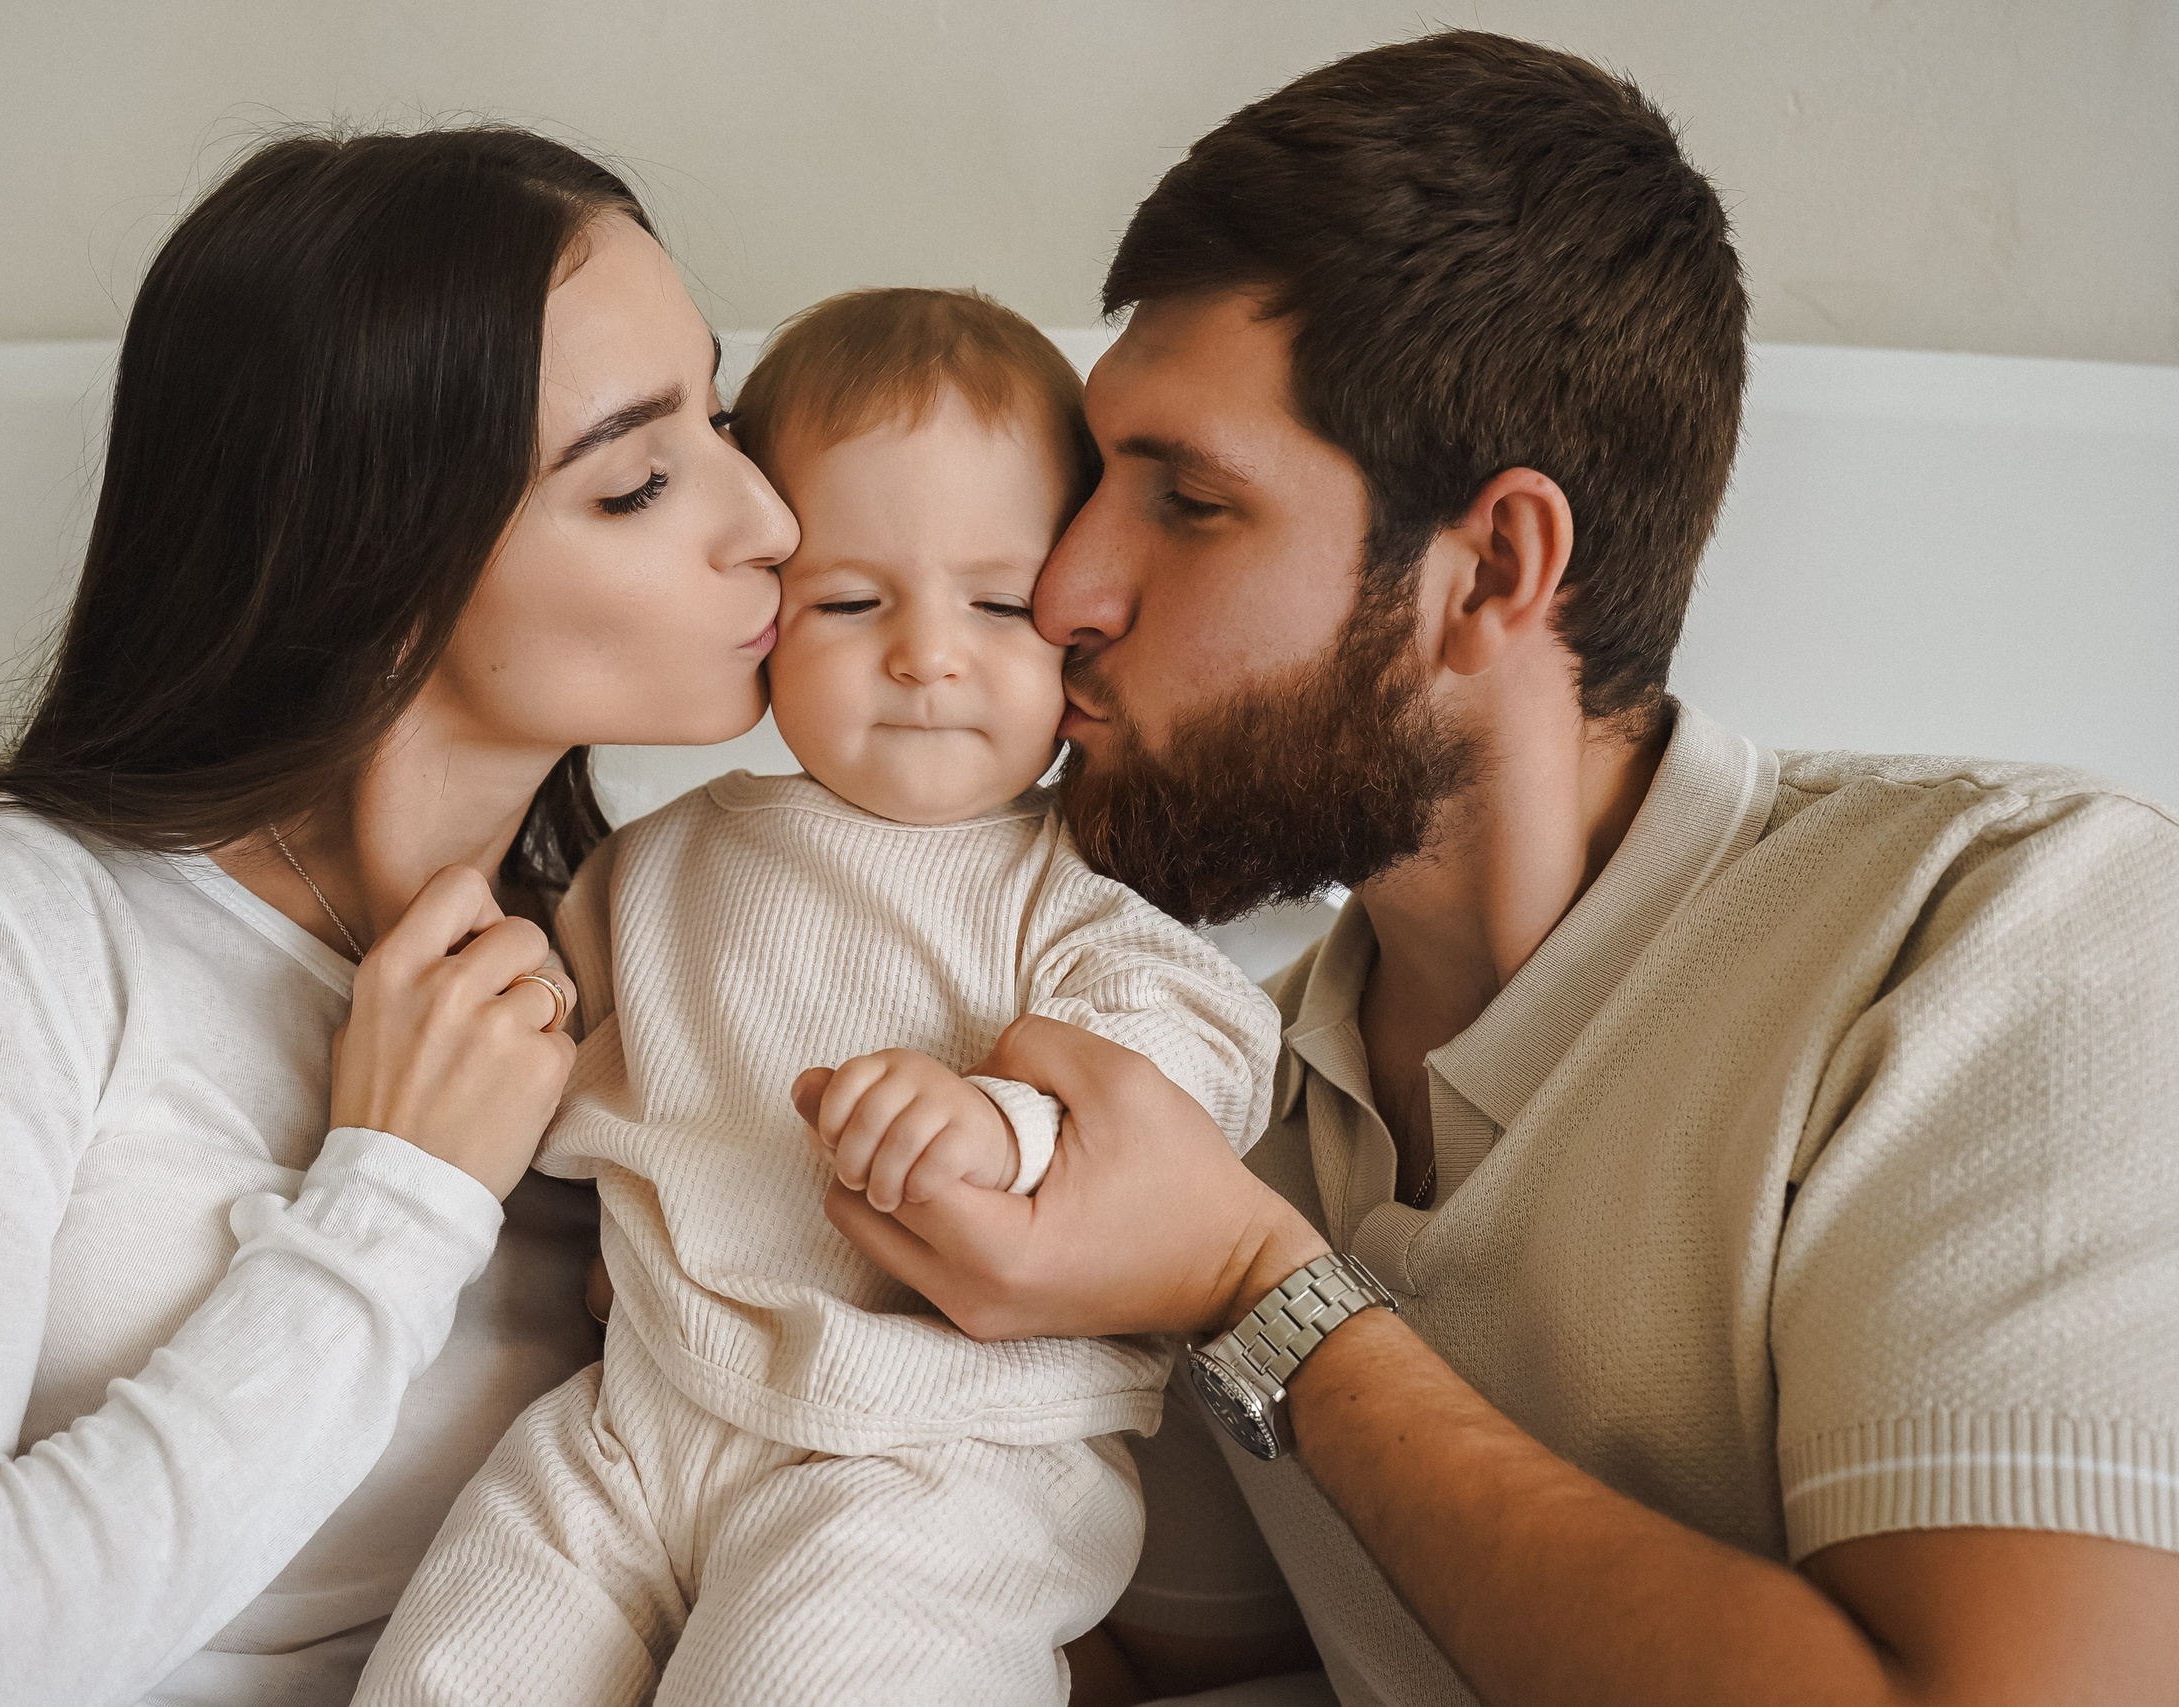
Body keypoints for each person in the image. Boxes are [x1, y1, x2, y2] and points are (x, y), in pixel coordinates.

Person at [808, 33, 2179, 1707]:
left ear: (1493, 571)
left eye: (1188, 500)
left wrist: (1263, 1298)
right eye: (1098, 483)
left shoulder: (2011, 928)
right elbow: (1155, 1669)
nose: (1071, 587)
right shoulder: (1206, 1102)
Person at [0, 126, 798, 1707]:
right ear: (376, 552)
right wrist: (394, 1201)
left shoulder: (666, 961)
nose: (771, 520)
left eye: (723, 420)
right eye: (640, 479)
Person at [353, 289, 1281, 1707]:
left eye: (997, 603)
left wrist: (1003, 1125)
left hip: (941, 1452)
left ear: (1076, 631)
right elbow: (565, 1067)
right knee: (457, 1664)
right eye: (850, 601)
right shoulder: (653, 865)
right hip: (639, 1415)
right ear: (761, 617)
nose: (925, 654)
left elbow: (1204, 1058)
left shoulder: (1075, 887)